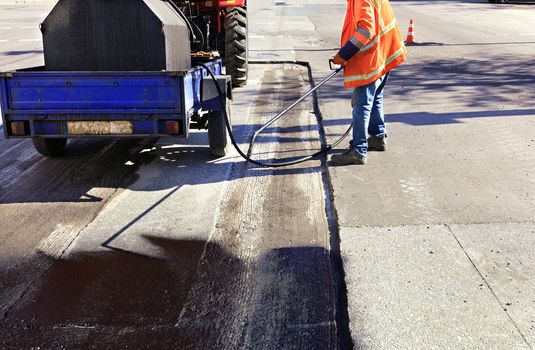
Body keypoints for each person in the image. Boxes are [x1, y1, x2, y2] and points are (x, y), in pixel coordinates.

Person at [330, 0, 407, 165]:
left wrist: (344, 55)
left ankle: (358, 150)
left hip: (373, 58)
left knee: (361, 104)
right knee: (376, 96)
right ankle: (377, 137)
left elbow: (366, 30)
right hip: (385, 52)